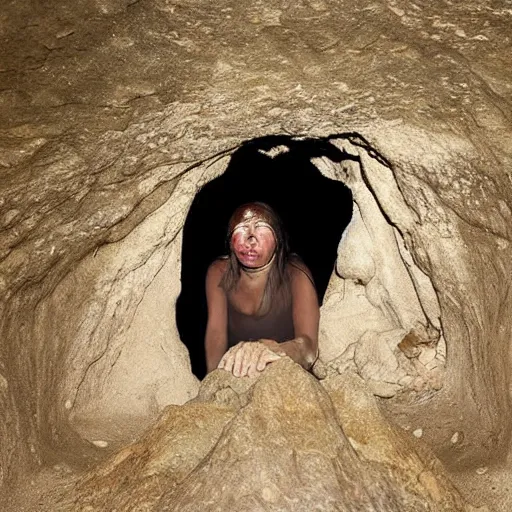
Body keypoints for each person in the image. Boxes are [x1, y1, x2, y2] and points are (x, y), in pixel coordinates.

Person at [205, 202, 319, 378]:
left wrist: (272, 349)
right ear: (230, 240)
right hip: (239, 370)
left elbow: (309, 348)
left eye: (260, 228)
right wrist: (214, 379)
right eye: (242, 228)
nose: (250, 239)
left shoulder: (296, 274)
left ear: (277, 239)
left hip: (285, 370)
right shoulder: (219, 272)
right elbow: (216, 334)